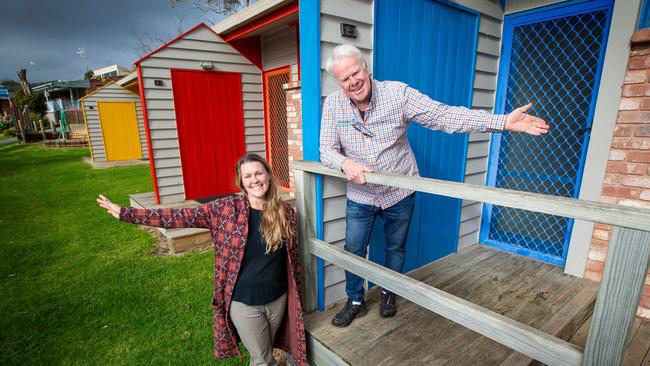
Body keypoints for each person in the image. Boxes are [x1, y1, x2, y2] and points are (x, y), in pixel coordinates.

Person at [320, 44, 550, 328]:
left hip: (399, 190)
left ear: (366, 68)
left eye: (355, 72)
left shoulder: (398, 94)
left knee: (395, 247)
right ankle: (355, 300)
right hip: (360, 193)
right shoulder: (333, 104)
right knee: (354, 249)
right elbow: (326, 150)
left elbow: (444, 116)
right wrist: (345, 164)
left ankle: (389, 290)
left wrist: (501, 122)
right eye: (345, 79)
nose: (353, 81)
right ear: (338, 83)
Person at [97, 154, 307, 366]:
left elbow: (292, 260)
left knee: (268, 348)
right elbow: (178, 216)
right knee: (262, 360)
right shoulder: (225, 210)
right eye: (248, 176)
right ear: (241, 182)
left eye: (259, 173)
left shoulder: (285, 213)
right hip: (244, 303)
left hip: (278, 299)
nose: (255, 180)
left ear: (268, 176)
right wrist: (126, 213)